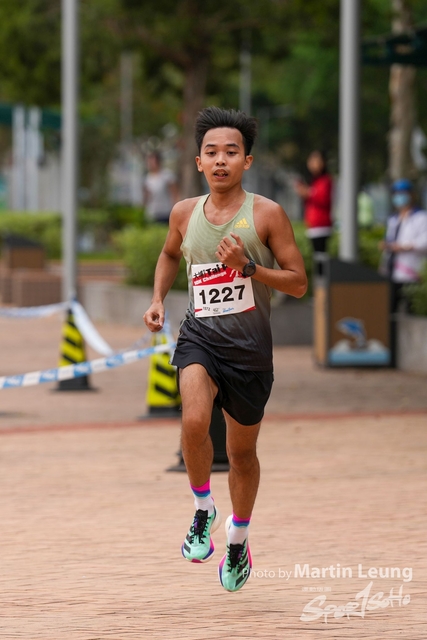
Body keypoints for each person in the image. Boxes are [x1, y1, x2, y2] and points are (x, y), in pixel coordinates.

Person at [143, 107, 307, 592]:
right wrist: (157, 299)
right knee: (194, 421)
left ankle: (238, 537)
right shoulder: (183, 212)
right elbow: (169, 253)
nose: (220, 160)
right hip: (200, 336)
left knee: (241, 454)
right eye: (211, 152)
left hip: (250, 351)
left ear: (246, 161)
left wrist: (248, 268)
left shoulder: (267, 214)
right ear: (198, 162)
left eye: (231, 152)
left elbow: (298, 283)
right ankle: (202, 508)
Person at [380, 179, 427, 313]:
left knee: (410, 310)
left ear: (412, 195)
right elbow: (390, 242)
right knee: (389, 311)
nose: (399, 197)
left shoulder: (421, 218)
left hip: (411, 272)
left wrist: (403, 247)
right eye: (396, 194)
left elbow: (424, 241)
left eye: (403, 193)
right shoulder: (393, 219)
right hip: (391, 272)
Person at [293, 150, 333, 254]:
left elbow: (323, 198)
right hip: (313, 224)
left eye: (316, 161)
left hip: (321, 224)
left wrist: (308, 193)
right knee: (317, 255)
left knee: (320, 255)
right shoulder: (313, 181)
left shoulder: (325, 180)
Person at [143, 151, 179, 224]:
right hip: (153, 212)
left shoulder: (167, 176)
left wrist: (175, 208)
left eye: (152, 161)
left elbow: (174, 193)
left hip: (166, 211)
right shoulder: (148, 178)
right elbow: (146, 195)